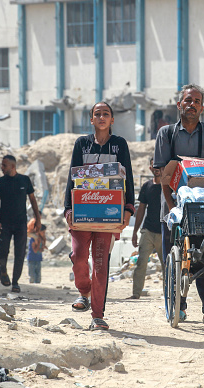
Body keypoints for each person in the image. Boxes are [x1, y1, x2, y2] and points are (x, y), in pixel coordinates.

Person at [153, 83, 204, 325]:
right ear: (179, 105)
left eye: (196, 101)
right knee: (174, 260)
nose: (191, 104)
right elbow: (163, 175)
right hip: (173, 207)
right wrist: (172, 207)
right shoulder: (166, 134)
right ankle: (178, 307)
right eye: (187, 100)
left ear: (202, 107)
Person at [64, 101, 135, 331]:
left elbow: (129, 179)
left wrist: (128, 209)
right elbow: (72, 179)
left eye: (106, 114)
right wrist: (68, 208)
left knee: (101, 264)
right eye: (97, 114)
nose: (102, 117)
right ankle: (83, 291)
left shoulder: (120, 145)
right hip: (82, 213)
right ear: (91, 120)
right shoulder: (81, 144)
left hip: (109, 215)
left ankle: (97, 315)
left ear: (112, 120)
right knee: (79, 255)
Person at [0, 155, 41, 293]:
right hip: (4, 223)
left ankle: (15, 282)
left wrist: (38, 219)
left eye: (4, 165)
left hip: (20, 223)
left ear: (12, 166)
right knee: (2, 251)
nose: (2, 168)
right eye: (2, 165)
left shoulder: (24, 180)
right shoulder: (0, 182)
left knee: (19, 253)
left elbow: (33, 200)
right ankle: (2, 270)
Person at [128, 158, 163, 299]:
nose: (156, 168)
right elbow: (141, 210)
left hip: (164, 231)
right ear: (150, 168)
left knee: (167, 265)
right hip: (148, 230)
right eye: (154, 165)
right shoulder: (147, 186)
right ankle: (136, 294)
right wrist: (135, 232)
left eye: (159, 165)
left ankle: (170, 295)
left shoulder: (169, 187)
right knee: (141, 262)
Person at [27, 219, 46, 284]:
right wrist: (39, 244)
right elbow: (35, 250)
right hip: (32, 259)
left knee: (38, 278)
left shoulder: (41, 239)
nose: (43, 234)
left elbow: (40, 249)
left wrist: (42, 247)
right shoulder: (33, 239)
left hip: (38, 259)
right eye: (43, 232)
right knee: (32, 277)